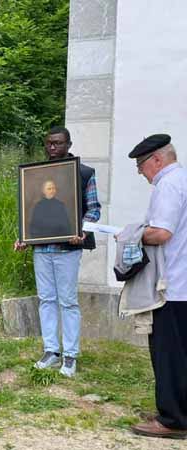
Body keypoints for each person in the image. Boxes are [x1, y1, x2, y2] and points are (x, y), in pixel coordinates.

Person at [15, 126, 101, 377]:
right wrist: (24, 238)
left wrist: (81, 229)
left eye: (58, 143)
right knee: (46, 300)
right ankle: (51, 351)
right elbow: (30, 216)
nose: (53, 147)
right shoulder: (35, 175)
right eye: (49, 143)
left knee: (68, 301)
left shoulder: (83, 173)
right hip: (42, 250)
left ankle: (70, 355)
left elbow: (94, 209)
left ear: (68, 144)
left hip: (68, 250)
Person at [127, 134, 187, 439]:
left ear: (157, 160)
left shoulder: (168, 184)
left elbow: (162, 233)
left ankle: (173, 420)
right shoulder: (183, 179)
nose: (141, 172)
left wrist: (132, 234)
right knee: (181, 354)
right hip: (182, 284)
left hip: (172, 286)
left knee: (169, 355)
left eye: (141, 165)